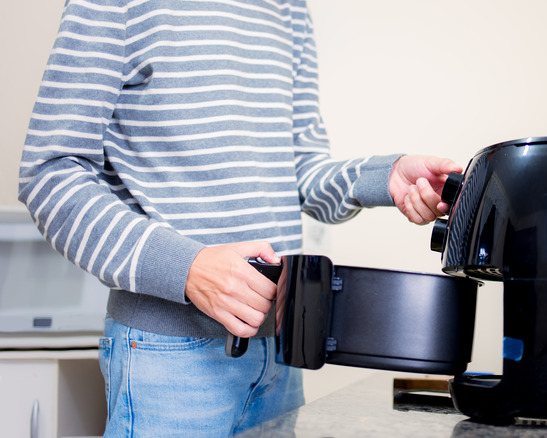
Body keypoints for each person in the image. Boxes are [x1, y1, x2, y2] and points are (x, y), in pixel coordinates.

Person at [17, 0, 461, 436]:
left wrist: (385, 177)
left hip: (278, 354)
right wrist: (187, 268)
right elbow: (49, 176)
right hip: (167, 355)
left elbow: (300, 168)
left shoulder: (289, 8)